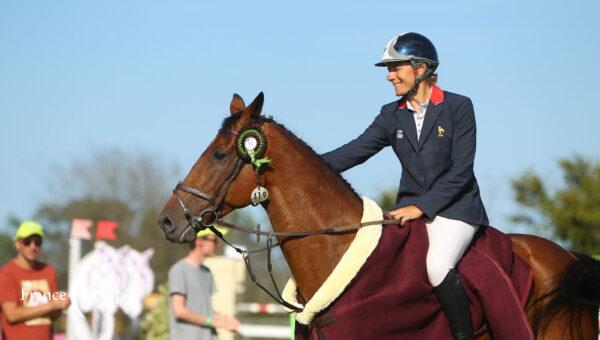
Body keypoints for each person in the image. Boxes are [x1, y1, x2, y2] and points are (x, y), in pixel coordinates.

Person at [322, 32, 514, 340]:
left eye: (396, 68)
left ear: (420, 69)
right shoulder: (391, 115)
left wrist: (420, 207)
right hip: (408, 210)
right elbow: (354, 151)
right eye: (389, 69)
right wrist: (304, 165)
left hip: (456, 211)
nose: (389, 76)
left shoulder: (459, 107)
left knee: (436, 265)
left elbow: (461, 171)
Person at [0, 220, 71, 340]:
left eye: (37, 242)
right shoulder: (6, 273)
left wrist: (61, 305)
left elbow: (52, 316)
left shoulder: (49, 271)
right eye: (27, 241)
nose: (33, 247)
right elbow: (11, 315)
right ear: (17, 243)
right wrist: (51, 305)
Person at [168, 227, 240, 340]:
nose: (217, 244)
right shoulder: (179, 270)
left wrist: (225, 321)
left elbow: (204, 310)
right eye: (214, 239)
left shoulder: (207, 272)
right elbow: (179, 311)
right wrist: (211, 321)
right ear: (200, 242)